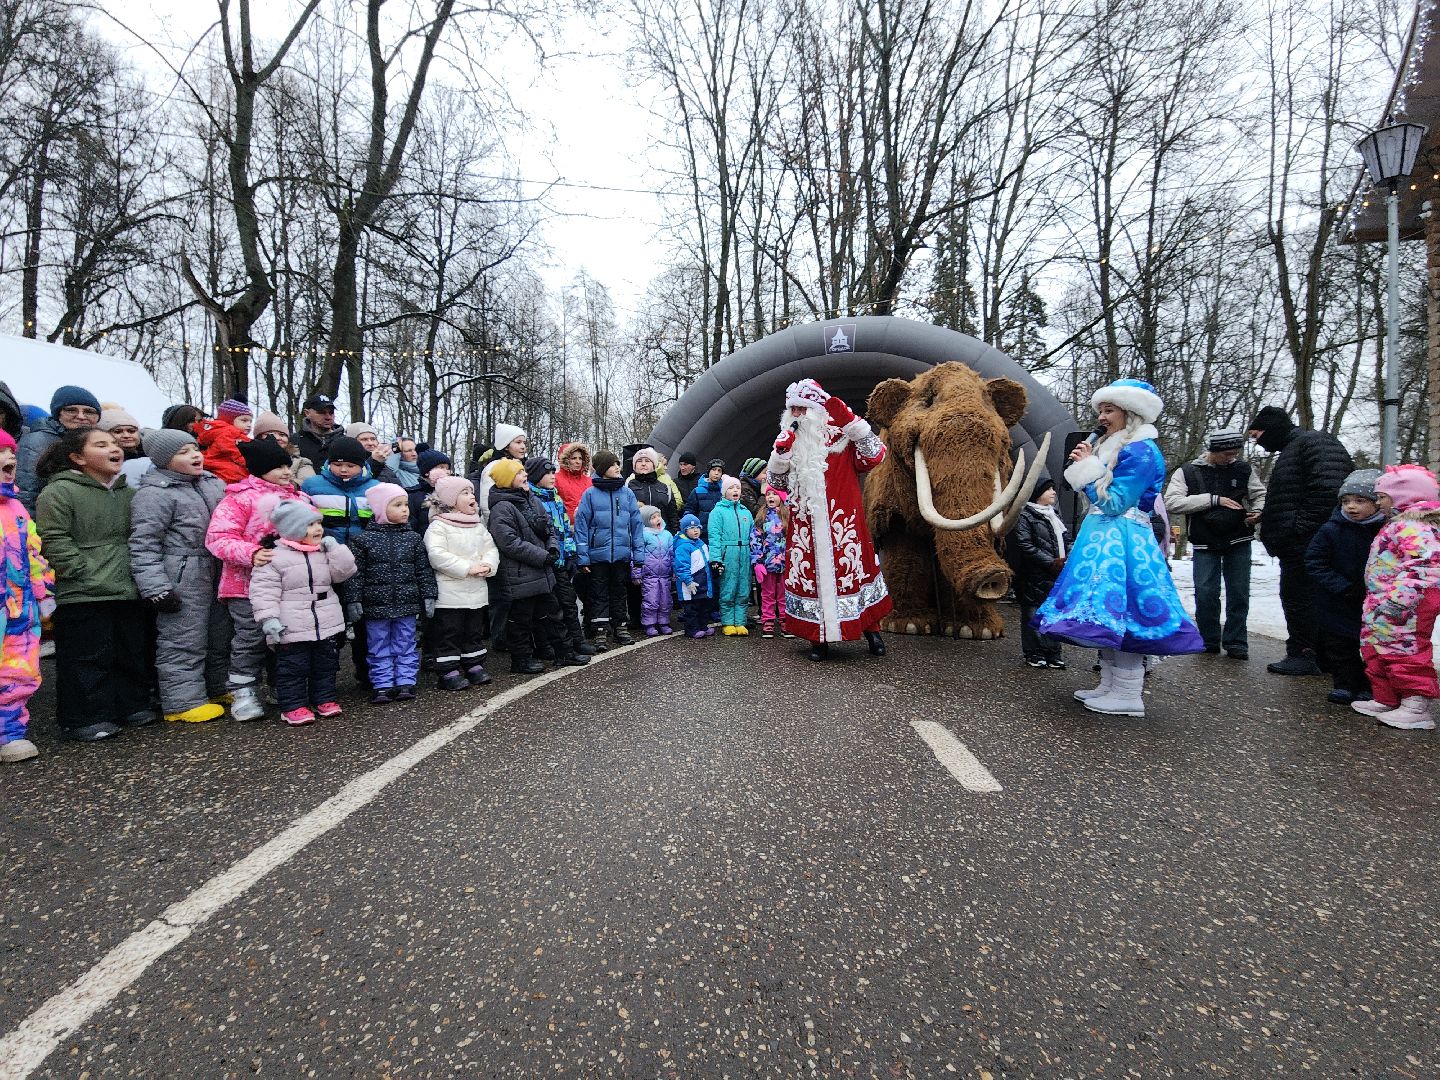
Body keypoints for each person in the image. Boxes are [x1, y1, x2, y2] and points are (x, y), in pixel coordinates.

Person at [1035, 379, 1204, 715]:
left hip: (1123, 541)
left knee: (1123, 613)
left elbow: (1114, 503)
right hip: (1104, 539)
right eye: (1100, 410)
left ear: (1131, 413)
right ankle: (1110, 685)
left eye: (1109, 410)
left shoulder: (1140, 451)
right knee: (1105, 616)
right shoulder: (1116, 449)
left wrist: (1085, 470)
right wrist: (1089, 465)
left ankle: (1128, 693)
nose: (1102, 417)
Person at [35, 427, 151, 741]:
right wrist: (79, 570)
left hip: (126, 585)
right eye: (101, 444)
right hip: (82, 592)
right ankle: (85, 718)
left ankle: (130, 705)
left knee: (128, 651)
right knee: (87, 657)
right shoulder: (59, 492)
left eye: (115, 444)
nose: (115, 448)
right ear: (77, 457)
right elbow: (54, 538)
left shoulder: (129, 492)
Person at [765, 378, 891, 661]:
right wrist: (780, 455)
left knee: (854, 576)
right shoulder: (788, 440)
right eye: (792, 410)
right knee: (811, 579)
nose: (795, 415)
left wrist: (851, 422)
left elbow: (876, 457)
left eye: (801, 409)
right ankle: (817, 641)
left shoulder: (842, 437)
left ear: (816, 411)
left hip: (843, 524)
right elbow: (776, 483)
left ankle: (873, 632)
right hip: (805, 528)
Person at [205, 436, 316, 722]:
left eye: (286, 465)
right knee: (251, 639)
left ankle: (283, 686)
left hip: (291, 587)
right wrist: (252, 552)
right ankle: (243, 690)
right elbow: (218, 538)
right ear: (258, 468)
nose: (284, 471)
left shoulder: (300, 497)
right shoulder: (239, 499)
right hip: (246, 586)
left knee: (287, 637)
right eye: (276, 466)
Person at [128, 429, 231, 724]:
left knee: (219, 632)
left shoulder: (214, 484)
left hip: (218, 567)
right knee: (183, 636)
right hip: (182, 572)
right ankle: (182, 702)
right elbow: (144, 543)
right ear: (163, 460)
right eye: (183, 452)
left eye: (195, 449)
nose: (195, 455)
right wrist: (155, 587)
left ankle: (216, 687)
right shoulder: (155, 494)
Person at [1246, 405, 1355, 676]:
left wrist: (1299, 530)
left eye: (1257, 434)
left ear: (1271, 429)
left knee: (1301, 598)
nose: (1255, 441)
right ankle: (1321, 655)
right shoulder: (1297, 447)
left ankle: (1305, 655)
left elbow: (1330, 489)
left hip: (1308, 543)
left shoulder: (1312, 443)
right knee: (1305, 598)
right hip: (1302, 542)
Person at [1162, 429, 1267, 659]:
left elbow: (1260, 494)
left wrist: (1258, 510)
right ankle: (1208, 639)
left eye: (1235, 453)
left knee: (1239, 591)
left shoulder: (1243, 469)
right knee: (1205, 591)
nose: (1232, 457)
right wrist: (1213, 500)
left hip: (1238, 537)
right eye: (1227, 453)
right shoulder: (1187, 472)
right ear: (1213, 451)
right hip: (1203, 539)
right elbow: (1172, 502)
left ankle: (1236, 641)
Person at [250, 501, 357, 726]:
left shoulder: (323, 552)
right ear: (292, 528)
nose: (318, 529)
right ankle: (293, 705)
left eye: (319, 523)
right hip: (291, 624)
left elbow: (344, 573)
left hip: (326, 621)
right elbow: (263, 591)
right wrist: (268, 618)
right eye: (310, 525)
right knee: (292, 668)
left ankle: (324, 699)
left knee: (325, 665)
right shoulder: (274, 557)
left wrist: (336, 549)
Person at [1350, 465, 1440, 729]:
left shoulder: (1417, 527)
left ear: (1405, 496)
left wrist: (1401, 599)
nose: (1378, 503)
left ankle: (1415, 705)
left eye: (1382, 497)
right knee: (1376, 643)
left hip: (1407, 601)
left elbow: (1427, 567)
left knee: (1404, 647)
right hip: (1385, 599)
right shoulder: (1400, 524)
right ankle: (1386, 697)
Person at [486, 458, 590, 674]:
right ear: (507, 479)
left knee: (554, 613)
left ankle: (564, 652)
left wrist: (552, 549)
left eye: (524, 472)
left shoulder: (531, 499)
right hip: (520, 574)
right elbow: (510, 543)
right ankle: (521, 659)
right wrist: (542, 555)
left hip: (543, 568)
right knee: (521, 619)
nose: (524, 476)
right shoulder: (502, 508)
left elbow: (549, 526)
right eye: (518, 474)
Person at [341, 482, 436, 704]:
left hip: (406, 604)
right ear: (381, 509)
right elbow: (356, 574)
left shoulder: (412, 538)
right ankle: (382, 684)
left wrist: (428, 594)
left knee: (406, 643)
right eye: (397, 505)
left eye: (405, 504)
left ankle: (405, 681)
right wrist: (353, 599)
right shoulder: (363, 540)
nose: (405, 509)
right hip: (375, 607)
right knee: (378, 645)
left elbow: (423, 570)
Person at [1304, 469, 1385, 706]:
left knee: (1373, 646)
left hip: (1376, 600)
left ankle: (1369, 685)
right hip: (1338, 600)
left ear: (1376, 503)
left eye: (1360, 501)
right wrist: (1342, 586)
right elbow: (1315, 562)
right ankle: (1344, 683)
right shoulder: (1331, 529)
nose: (1351, 507)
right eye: (1346, 501)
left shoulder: (1386, 530)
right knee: (1340, 646)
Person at [0, 429, 54, 763]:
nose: (9, 460)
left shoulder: (16, 507)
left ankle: (9, 734)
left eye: (10, 454)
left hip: (18, 607)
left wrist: (43, 592)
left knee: (17, 668)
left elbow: (33, 551)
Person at [424, 476, 500, 691]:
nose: (472, 497)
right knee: (450, 631)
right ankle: (448, 670)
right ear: (450, 500)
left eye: (471, 492)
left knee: (473, 630)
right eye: (465, 493)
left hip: (476, 590)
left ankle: (474, 664)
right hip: (450, 593)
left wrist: (487, 564)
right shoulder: (439, 527)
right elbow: (437, 555)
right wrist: (467, 567)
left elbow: (491, 548)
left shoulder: (477, 525)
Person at [574, 449, 643, 647]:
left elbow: (636, 525)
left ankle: (620, 626)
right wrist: (583, 557)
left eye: (617, 464)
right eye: (613, 464)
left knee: (619, 592)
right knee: (598, 593)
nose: (617, 467)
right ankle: (600, 631)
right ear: (603, 468)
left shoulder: (627, 493)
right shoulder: (590, 494)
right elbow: (581, 527)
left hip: (621, 554)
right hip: (598, 556)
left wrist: (638, 555)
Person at [528, 457, 595, 657]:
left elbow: (565, 528)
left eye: (552, 472)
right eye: (546, 473)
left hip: (563, 560)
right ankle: (558, 647)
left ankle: (577, 640)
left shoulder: (555, 498)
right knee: (551, 607)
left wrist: (571, 552)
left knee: (569, 602)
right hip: (547, 562)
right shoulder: (533, 500)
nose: (551, 477)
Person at [1008, 478, 1068, 670]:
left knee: (1053, 613)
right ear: (1036, 493)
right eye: (1048, 489)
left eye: (1053, 488)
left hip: (1054, 574)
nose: (1053, 492)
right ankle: (1034, 653)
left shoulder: (1054, 515)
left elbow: (1066, 539)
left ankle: (1053, 652)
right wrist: (1050, 562)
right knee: (1032, 613)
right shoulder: (1025, 515)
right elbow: (1025, 544)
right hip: (1032, 574)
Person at [17, 384, 101, 511]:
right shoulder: (37, 441)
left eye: (89, 412)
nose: (81, 416)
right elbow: (26, 494)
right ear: (58, 414)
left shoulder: (95, 443)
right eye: (71, 410)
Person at [302, 436, 377, 544]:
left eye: (350, 466)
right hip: (322, 549)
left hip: (364, 549)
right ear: (329, 463)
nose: (343, 469)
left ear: (361, 466)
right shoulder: (312, 486)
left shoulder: (375, 489)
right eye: (337, 465)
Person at [708, 476, 756, 635]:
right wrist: (715, 559)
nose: (735, 490)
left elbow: (754, 535)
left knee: (743, 589)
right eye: (731, 488)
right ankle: (728, 622)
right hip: (728, 554)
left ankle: (740, 622)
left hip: (745, 554)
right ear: (724, 492)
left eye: (737, 488)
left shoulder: (746, 512)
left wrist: (756, 557)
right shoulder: (718, 512)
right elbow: (714, 537)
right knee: (728, 589)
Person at [749, 487, 788, 638]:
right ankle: (768, 621)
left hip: (785, 564)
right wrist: (757, 562)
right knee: (768, 594)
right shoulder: (762, 517)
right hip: (767, 564)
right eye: (768, 494)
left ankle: (785, 620)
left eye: (774, 494)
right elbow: (755, 540)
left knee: (784, 594)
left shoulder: (787, 516)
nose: (770, 497)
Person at [634, 504, 675, 635]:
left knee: (665, 600)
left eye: (658, 516)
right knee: (650, 600)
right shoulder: (643, 535)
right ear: (646, 521)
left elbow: (673, 554)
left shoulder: (667, 535)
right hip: (649, 575)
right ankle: (649, 623)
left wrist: (675, 571)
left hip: (665, 575)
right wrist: (636, 573)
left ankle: (663, 622)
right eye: (653, 517)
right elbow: (636, 554)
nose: (658, 519)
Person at [674, 513, 714, 638]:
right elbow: (681, 566)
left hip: (703, 582)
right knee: (692, 609)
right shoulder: (683, 546)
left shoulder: (700, 543)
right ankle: (692, 629)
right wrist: (688, 581)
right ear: (685, 530)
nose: (695, 530)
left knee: (704, 607)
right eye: (691, 528)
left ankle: (703, 626)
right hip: (690, 584)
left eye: (697, 527)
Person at [194, 399, 253, 485]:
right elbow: (232, 451)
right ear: (230, 419)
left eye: (250, 421)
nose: (249, 425)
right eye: (244, 420)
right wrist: (251, 463)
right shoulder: (228, 432)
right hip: (226, 473)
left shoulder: (232, 433)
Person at [476, 422, 528, 514]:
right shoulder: (494, 467)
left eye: (524, 442)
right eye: (518, 442)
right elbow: (486, 504)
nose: (523, 446)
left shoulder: (523, 466)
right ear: (506, 445)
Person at [252, 411, 316, 483]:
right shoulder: (247, 461)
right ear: (258, 438)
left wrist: (283, 483)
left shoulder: (300, 462)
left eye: (282, 434)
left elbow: (310, 483)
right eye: (270, 434)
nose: (277, 438)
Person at [627, 447, 679, 532]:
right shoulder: (627, 487)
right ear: (634, 466)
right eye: (639, 461)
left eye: (647, 461)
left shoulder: (665, 488)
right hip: (637, 537)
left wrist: (674, 536)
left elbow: (673, 516)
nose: (643, 464)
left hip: (663, 538)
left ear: (654, 465)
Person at [99, 407, 152, 487]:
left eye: (131, 431)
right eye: (118, 431)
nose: (126, 435)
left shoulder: (152, 457)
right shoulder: (99, 462)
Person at [408, 449, 453, 534]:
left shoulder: (453, 491)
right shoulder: (413, 495)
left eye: (447, 468)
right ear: (427, 471)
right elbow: (411, 525)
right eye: (441, 467)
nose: (446, 472)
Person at [295, 393, 341, 471]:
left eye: (331, 413)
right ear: (307, 413)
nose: (328, 417)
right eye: (321, 412)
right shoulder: (295, 441)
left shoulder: (344, 441)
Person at [683, 458, 726, 533]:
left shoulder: (725, 491)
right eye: (714, 469)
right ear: (708, 472)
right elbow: (689, 511)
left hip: (721, 533)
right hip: (701, 533)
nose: (716, 473)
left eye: (719, 470)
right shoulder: (697, 491)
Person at [555, 442, 593, 521]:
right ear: (565, 460)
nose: (578, 462)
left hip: (587, 526)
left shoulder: (589, 481)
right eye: (574, 458)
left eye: (580, 458)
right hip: (565, 527)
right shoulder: (555, 479)